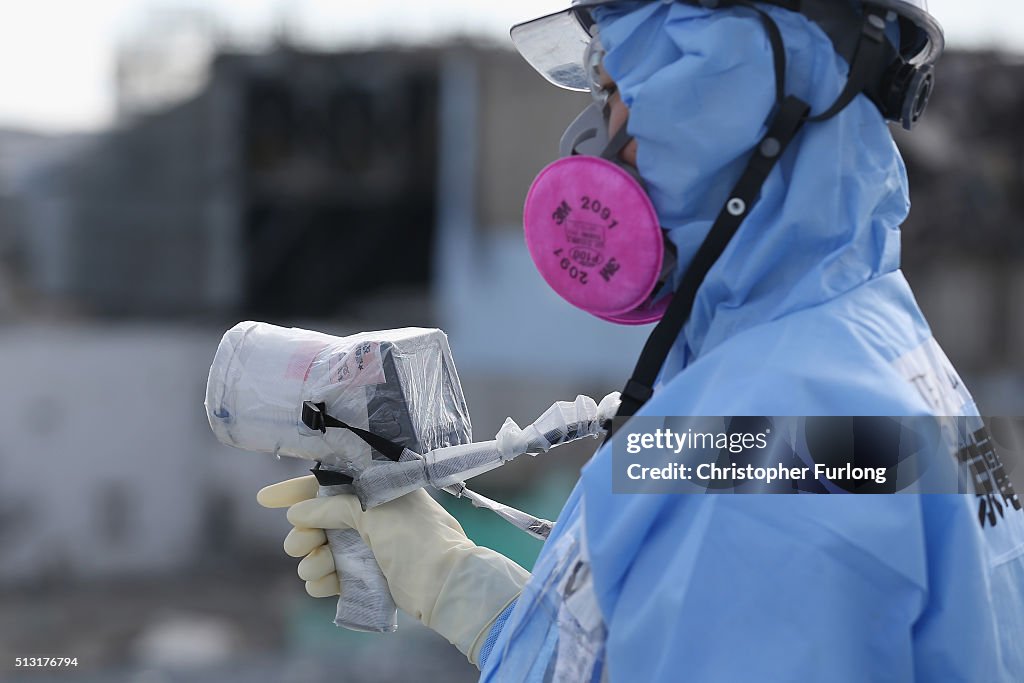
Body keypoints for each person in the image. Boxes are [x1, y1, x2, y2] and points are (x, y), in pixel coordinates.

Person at [257, 1, 1024, 680]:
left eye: (620, 93)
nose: (592, 136)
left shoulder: (770, 443)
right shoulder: (843, 353)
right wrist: (471, 592)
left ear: (725, 96)